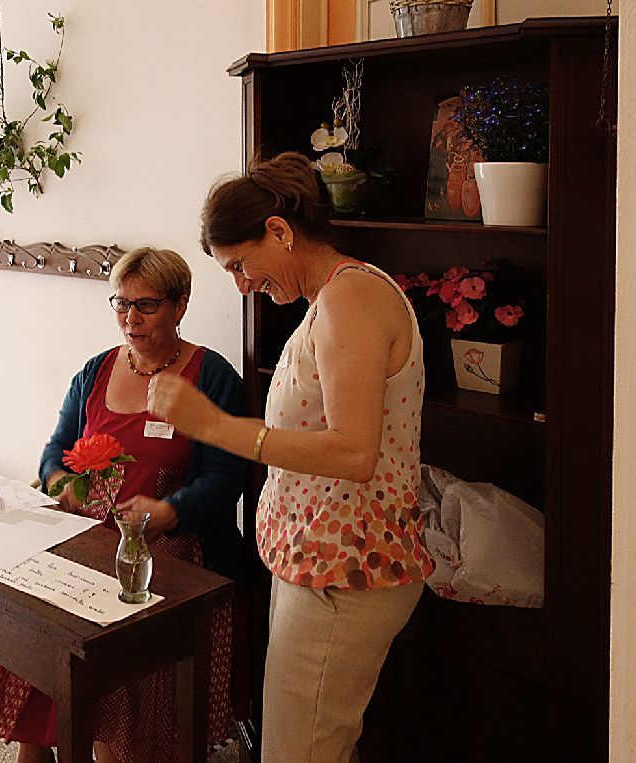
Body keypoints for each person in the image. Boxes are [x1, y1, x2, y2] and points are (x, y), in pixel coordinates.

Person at [146, 152, 435, 762]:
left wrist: (216, 427)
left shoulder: (350, 299)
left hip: (345, 573)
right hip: (323, 566)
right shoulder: (332, 299)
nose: (242, 283)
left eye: (239, 264)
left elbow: (355, 452)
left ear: (279, 230)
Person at [0, 246, 247, 763]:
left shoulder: (211, 377)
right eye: (121, 303)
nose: (130, 318)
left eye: (147, 305)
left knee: (117, 709)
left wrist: (170, 512)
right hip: (87, 543)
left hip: (168, 552)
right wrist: (62, 484)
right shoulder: (96, 370)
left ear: (180, 305)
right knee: (39, 656)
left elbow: (227, 477)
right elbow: (55, 451)